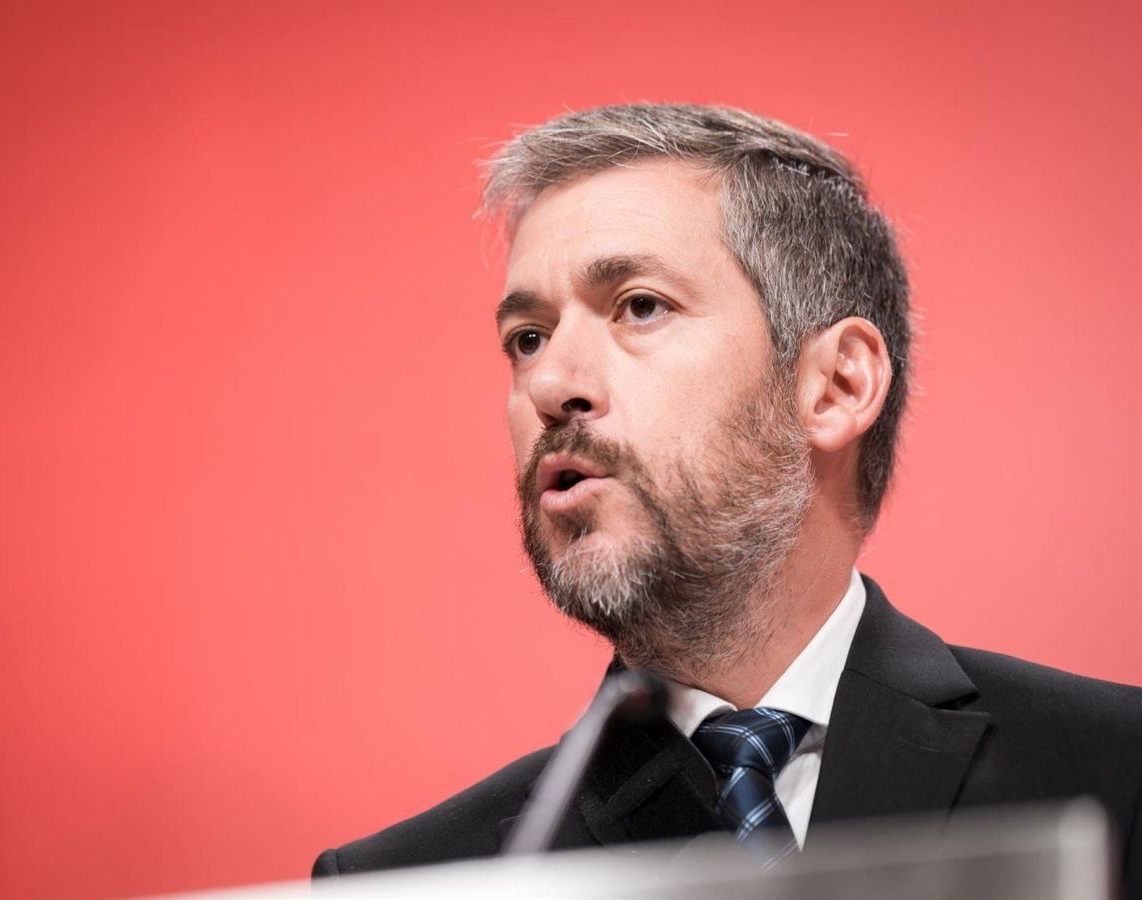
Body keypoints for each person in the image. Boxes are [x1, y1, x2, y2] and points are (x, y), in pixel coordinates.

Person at [312, 104, 1142, 891]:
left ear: (837, 385)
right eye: (526, 339)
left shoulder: (1119, 773)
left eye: (640, 306)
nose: (550, 383)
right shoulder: (410, 883)